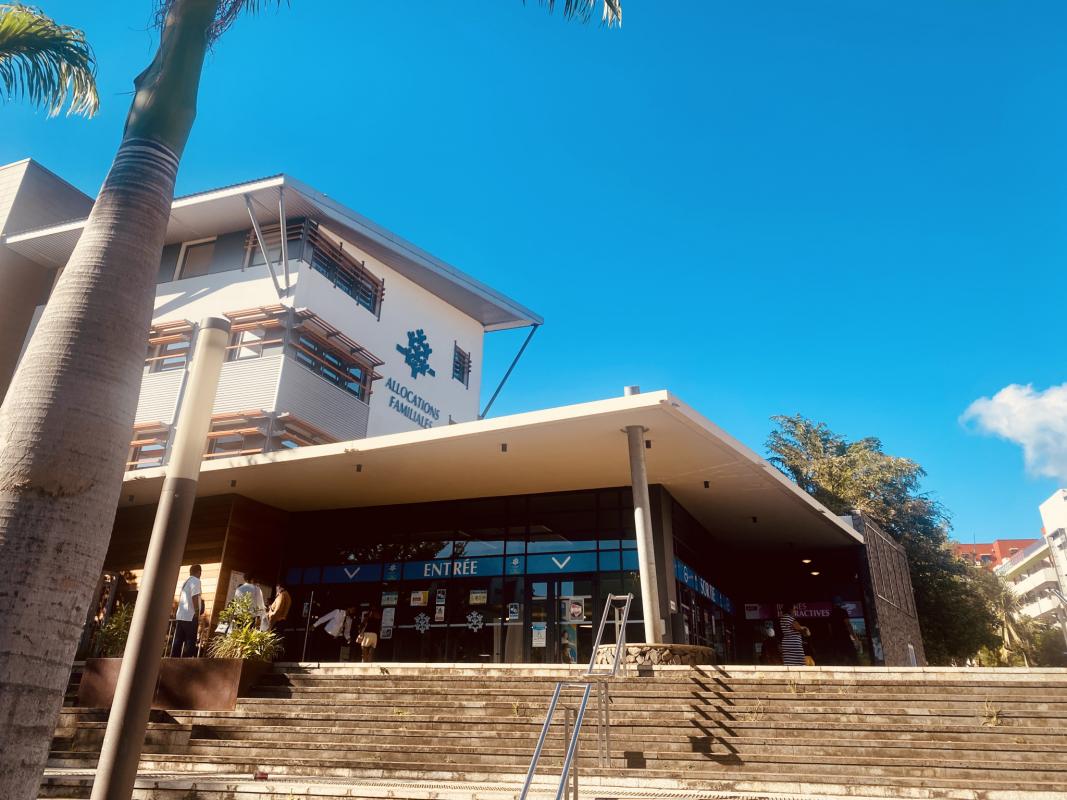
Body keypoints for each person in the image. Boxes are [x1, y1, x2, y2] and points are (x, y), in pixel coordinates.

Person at [171, 565, 203, 657]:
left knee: (178, 640)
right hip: (190, 615)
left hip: (181, 615)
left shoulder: (186, 582)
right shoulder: (196, 581)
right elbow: (194, 596)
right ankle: (187, 660)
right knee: (190, 640)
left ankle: (173, 659)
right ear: (199, 572)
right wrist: (197, 611)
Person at [778, 602, 809, 666]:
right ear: (790, 609)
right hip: (793, 646)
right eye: (794, 609)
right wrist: (805, 628)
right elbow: (799, 628)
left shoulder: (784, 618)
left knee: (790, 663)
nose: (795, 611)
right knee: (799, 664)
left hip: (790, 644)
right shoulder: (788, 618)